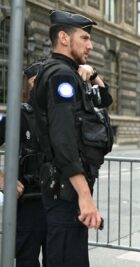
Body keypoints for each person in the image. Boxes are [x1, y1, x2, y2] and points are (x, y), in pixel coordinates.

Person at [31, 10, 113, 266]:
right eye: (85, 38)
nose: (90, 45)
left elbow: (106, 99)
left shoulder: (66, 72)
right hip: (66, 189)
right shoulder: (62, 76)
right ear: (64, 38)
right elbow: (64, 140)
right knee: (67, 258)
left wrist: (93, 72)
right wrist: (84, 195)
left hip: (65, 188)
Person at [0, 61, 47, 267]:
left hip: (62, 202)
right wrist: (2, 179)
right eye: (33, 82)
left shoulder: (65, 112)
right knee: (27, 259)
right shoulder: (20, 114)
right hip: (30, 200)